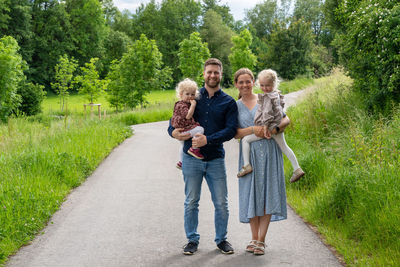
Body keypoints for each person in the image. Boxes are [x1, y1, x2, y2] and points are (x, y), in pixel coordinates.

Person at [167, 58, 238, 255]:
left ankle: (221, 239)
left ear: (221, 74)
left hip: (215, 158)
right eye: (209, 72)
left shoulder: (228, 102)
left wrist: (208, 140)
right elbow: (173, 121)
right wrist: (173, 132)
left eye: (216, 72)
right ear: (204, 74)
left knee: (221, 203)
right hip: (191, 159)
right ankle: (192, 240)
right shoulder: (191, 96)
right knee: (191, 201)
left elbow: (231, 130)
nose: (212, 75)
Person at [234, 68, 289, 256]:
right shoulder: (235, 106)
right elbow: (235, 134)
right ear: (236, 85)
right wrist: (253, 129)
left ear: (253, 82)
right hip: (249, 155)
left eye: (248, 81)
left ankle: (261, 240)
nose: (245, 85)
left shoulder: (266, 97)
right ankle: (253, 236)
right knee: (251, 194)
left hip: (270, 151)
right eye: (241, 82)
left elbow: (286, 119)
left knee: (267, 193)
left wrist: (273, 130)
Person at [237, 69, 305, 183]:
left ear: (273, 84)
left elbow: (268, 113)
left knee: (245, 140)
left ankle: (247, 165)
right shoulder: (276, 94)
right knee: (285, 147)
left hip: (269, 128)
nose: (264, 88)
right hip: (276, 127)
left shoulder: (268, 97)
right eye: (262, 85)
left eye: (267, 85)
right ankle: (297, 168)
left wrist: (265, 127)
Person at [171, 78, 205, 169]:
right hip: (183, 130)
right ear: (181, 94)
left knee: (182, 145)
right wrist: (193, 106)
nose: (190, 96)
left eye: (192, 94)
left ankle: (181, 162)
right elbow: (188, 116)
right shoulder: (182, 105)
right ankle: (194, 148)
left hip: (181, 130)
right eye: (187, 94)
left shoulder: (180, 104)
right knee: (200, 129)